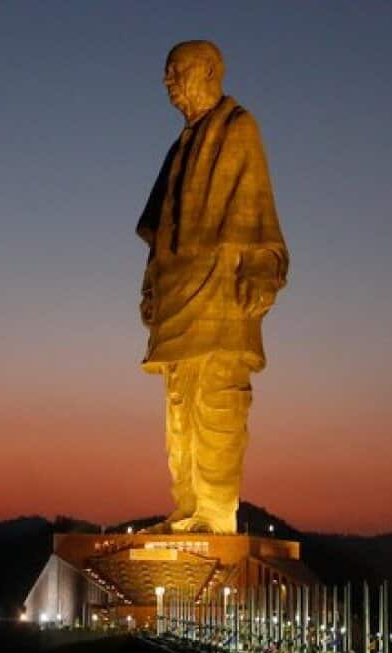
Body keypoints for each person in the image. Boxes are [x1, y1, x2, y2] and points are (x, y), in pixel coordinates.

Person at [135, 40, 289, 534]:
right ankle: (186, 507)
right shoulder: (180, 146)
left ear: (209, 72)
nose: (169, 83)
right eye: (167, 74)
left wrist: (261, 269)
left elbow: (258, 215)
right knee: (178, 407)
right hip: (178, 291)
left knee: (217, 401)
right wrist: (151, 285)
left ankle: (215, 511)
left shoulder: (237, 128)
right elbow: (160, 231)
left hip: (221, 289)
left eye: (176, 72)